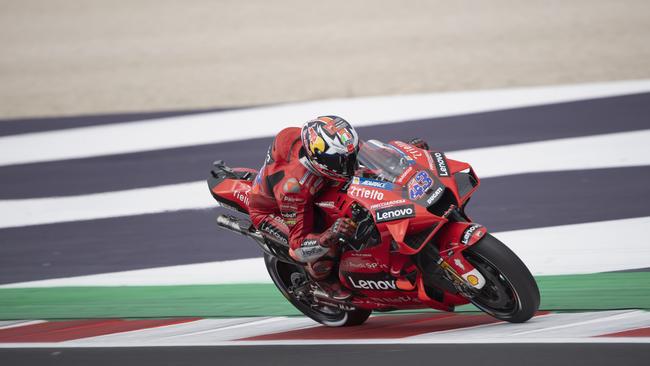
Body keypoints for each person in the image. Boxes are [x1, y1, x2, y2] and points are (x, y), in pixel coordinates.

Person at [249, 115, 428, 301]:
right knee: (327, 247)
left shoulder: (337, 147)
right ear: (320, 159)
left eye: (350, 155)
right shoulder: (294, 188)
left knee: (368, 184)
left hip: (318, 187)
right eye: (341, 160)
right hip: (273, 211)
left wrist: (406, 157)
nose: (349, 163)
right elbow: (299, 246)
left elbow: (372, 157)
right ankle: (323, 281)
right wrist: (329, 235)